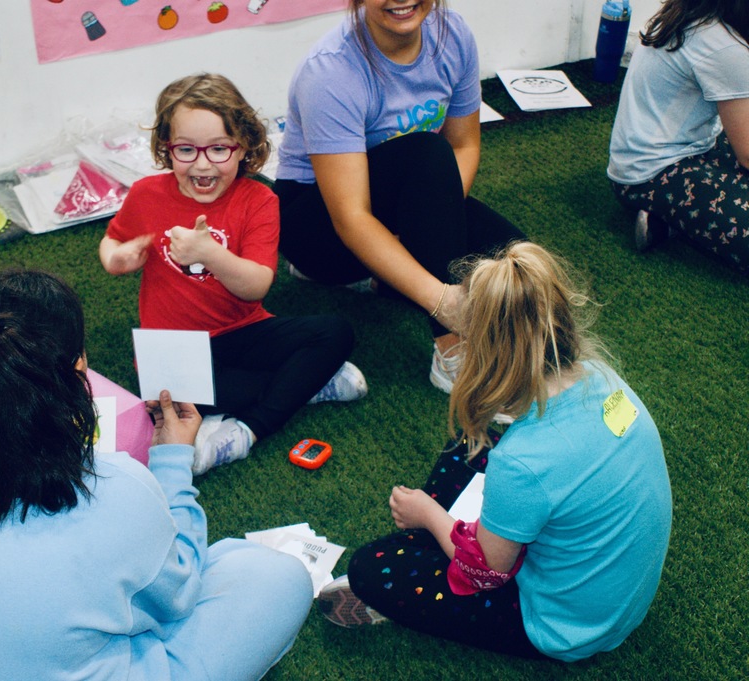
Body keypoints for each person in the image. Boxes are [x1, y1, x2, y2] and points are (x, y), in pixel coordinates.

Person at [0, 270, 314, 680]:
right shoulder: (113, 486)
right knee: (275, 576)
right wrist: (173, 459)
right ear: (80, 367)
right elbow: (179, 594)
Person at [316, 243, 672, 662]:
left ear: (487, 358)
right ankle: (449, 536)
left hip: (564, 627)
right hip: (615, 597)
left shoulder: (522, 462)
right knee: (470, 443)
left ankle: (428, 543)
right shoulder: (600, 376)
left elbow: (484, 573)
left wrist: (429, 514)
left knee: (370, 568)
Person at [101, 73, 366, 475]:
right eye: (186, 149)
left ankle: (245, 431)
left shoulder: (259, 199)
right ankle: (304, 386)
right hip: (174, 352)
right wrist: (115, 257)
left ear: (243, 148)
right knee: (179, 397)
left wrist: (209, 253)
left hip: (243, 330)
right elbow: (112, 240)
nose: (203, 164)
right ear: (166, 149)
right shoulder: (145, 194)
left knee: (336, 331)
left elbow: (256, 286)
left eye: (219, 149)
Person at [273, 0, 527, 395]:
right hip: (317, 228)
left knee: (518, 258)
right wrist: (444, 302)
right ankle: (450, 350)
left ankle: (381, 278)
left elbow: (464, 146)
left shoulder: (453, 35)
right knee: (425, 152)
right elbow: (351, 217)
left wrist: (426, 219)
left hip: (395, 199)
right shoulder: (330, 71)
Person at [607, 0, 749, 271]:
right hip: (650, 174)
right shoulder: (724, 45)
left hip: (685, 147)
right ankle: (669, 218)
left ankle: (667, 222)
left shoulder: (692, 11)